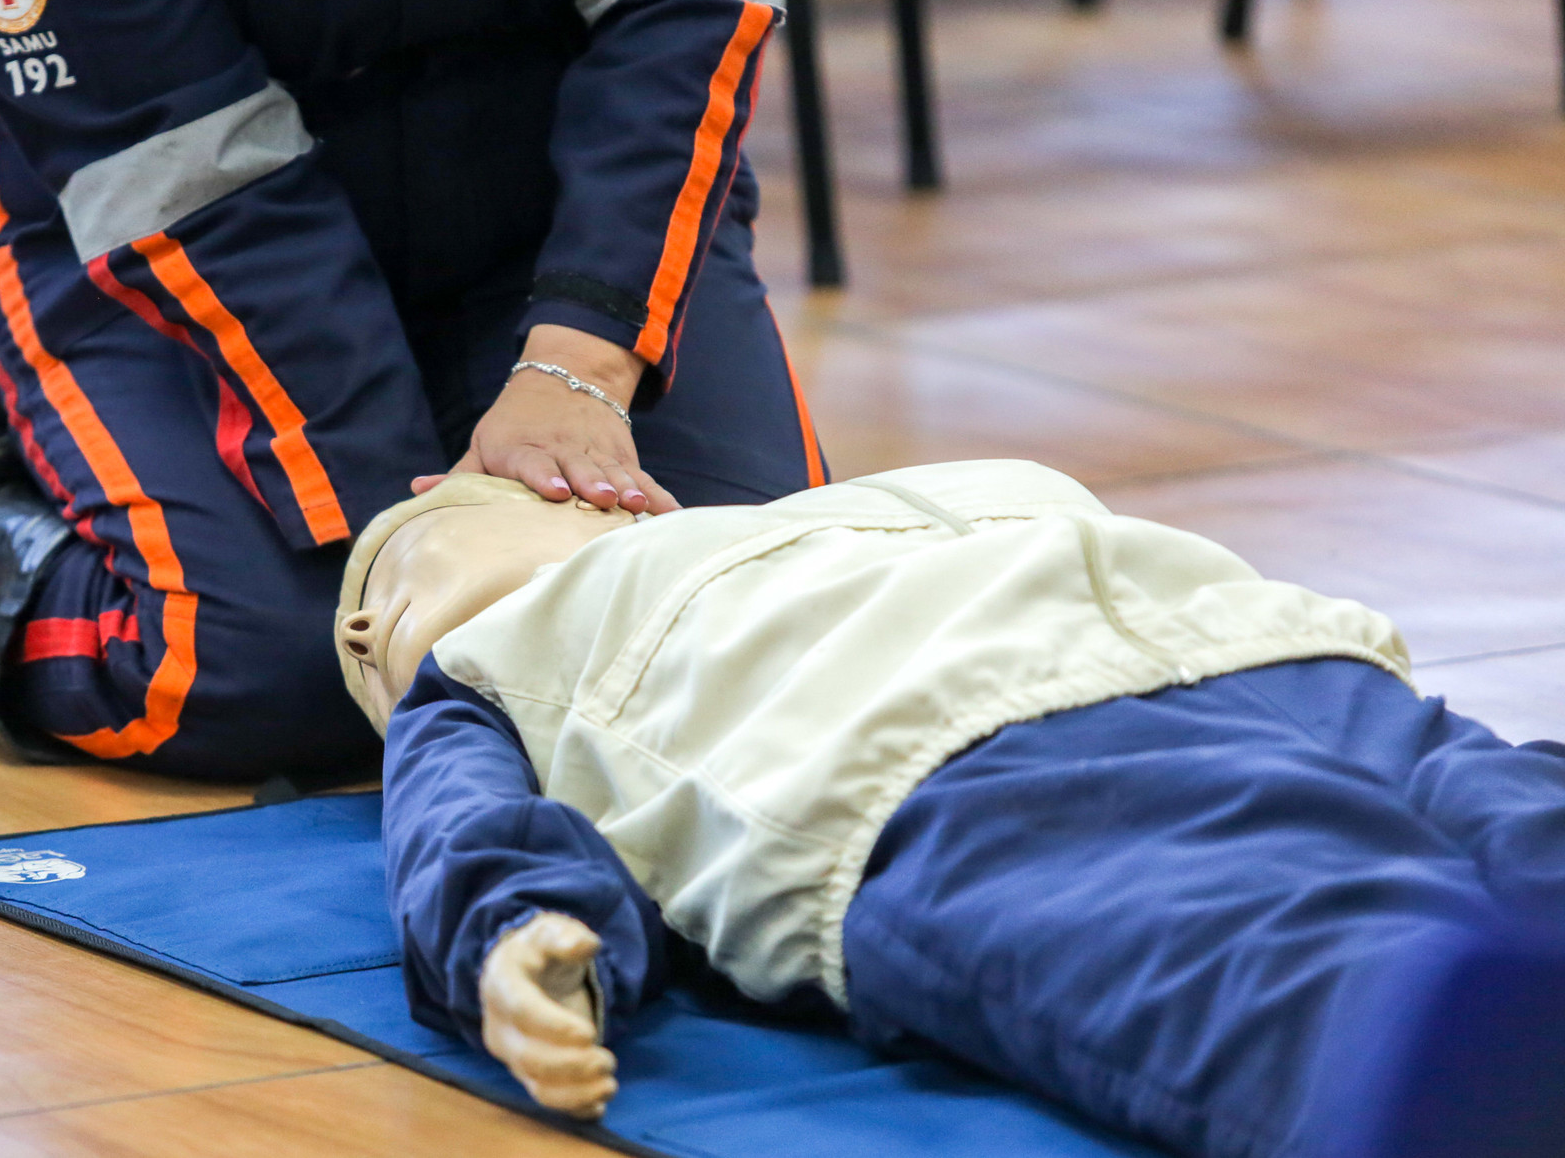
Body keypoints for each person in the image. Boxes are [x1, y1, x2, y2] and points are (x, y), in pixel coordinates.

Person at [0, 0, 827, 780]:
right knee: (296, 670)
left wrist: (578, 364)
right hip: (159, 232)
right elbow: (168, 146)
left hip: (548, 194)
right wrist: (408, 531)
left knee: (745, 625)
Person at [344, 462, 1565, 1158]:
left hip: (1274, 655)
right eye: (372, 625)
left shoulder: (850, 502)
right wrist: (514, 937)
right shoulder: (488, 670)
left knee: (1517, 816)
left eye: (393, 566)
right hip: (947, 773)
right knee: (1281, 958)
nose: (367, 632)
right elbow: (461, 826)